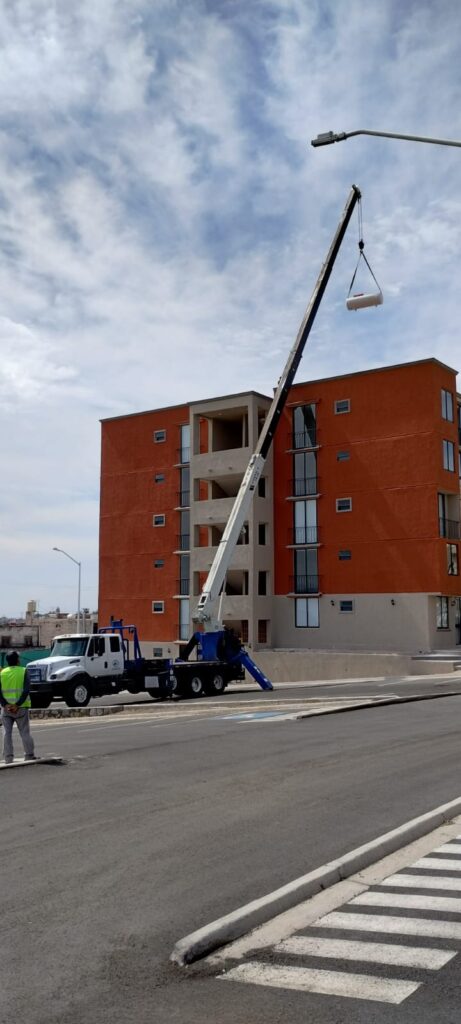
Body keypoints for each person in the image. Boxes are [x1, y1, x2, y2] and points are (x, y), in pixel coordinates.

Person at [0, 650, 36, 764]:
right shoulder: (24, 671)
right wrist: (17, 704)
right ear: (17, 660)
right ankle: (29, 755)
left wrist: (5, 704)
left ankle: (8, 758)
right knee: (24, 732)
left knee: (6, 733)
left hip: (6, 709)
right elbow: (26, 690)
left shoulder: (2, 673)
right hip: (21, 708)